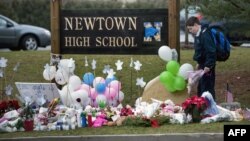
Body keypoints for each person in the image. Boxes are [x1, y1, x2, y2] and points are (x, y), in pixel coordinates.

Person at [186, 16, 217, 100]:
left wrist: (208, 65)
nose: (190, 31)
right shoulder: (198, 34)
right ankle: (201, 106)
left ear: (196, 25)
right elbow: (200, 51)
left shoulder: (205, 34)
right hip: (202, 65)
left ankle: (209, 108)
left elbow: (211, 51)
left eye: (191, 28)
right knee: (201, 87)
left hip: (207, 67)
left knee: (207, 89)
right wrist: (198, 63)